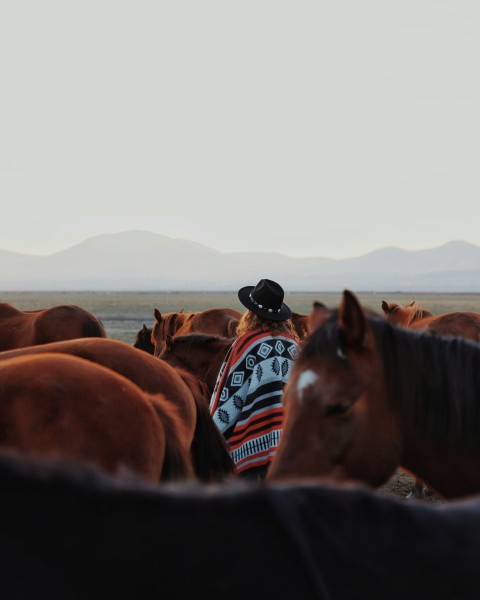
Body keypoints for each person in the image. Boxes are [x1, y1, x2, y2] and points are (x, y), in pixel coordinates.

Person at [210, 278, 300, 480]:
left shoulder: (246, 343)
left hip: (250, 440)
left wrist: (214, 433)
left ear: (250, 314)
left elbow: (230, 394)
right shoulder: (294, 346)